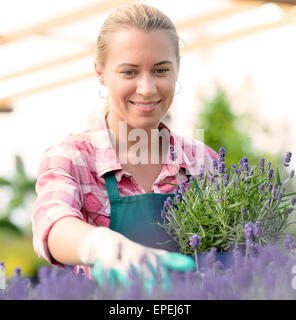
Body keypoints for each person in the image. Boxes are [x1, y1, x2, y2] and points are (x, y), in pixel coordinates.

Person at [32, 3, 218, 291]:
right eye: (129, 73)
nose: (147, 88)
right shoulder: (72, 157)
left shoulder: (202, 161)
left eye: (160, 70)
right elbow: (53, 221)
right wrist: (100, 244)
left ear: (176, 70)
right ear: (101, 72)